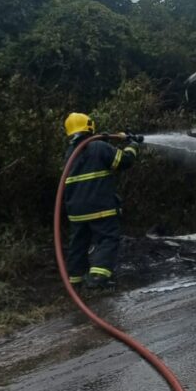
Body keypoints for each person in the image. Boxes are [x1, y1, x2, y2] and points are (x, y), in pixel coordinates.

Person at [62, 113, 139, 290]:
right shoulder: (98, 146)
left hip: (76, 211)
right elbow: (123, 162)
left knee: (78, 245)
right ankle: (98, 278)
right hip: (100, 207)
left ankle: (75, 281)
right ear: (90, 126)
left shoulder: (70, 154)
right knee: (108, 239)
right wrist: (132, 146)